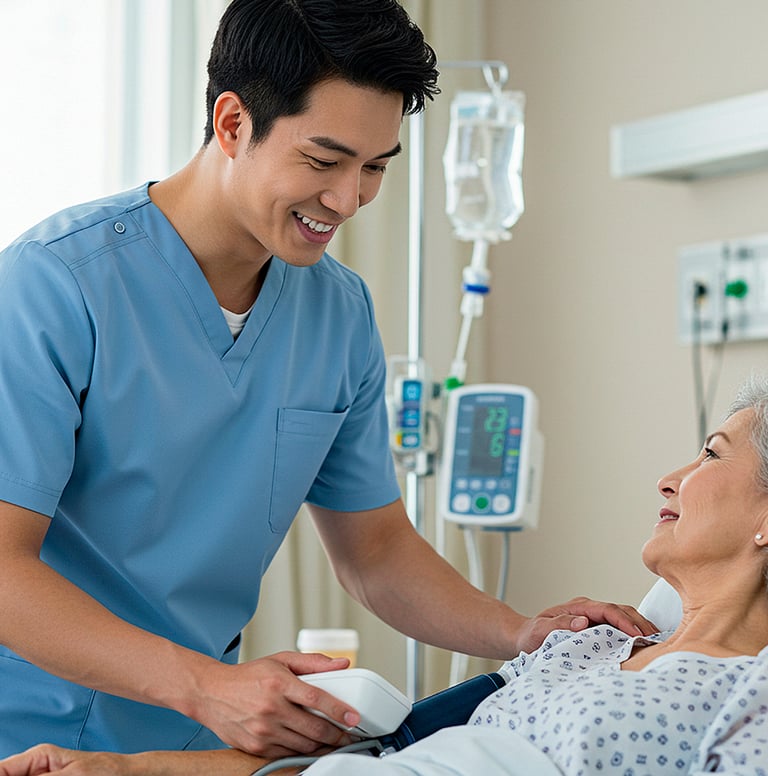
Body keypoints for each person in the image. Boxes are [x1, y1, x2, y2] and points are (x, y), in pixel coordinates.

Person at [0, 0, 653, 761]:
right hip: (25, 732)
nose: (348, 201)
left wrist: (521, 633)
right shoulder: (54, 287)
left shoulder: (338, 313)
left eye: (375, 167)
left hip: (186, 748)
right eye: (323, 161)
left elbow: (375, 550)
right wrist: (209, 687)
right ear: (233, 123)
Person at [5, 376, 768, 775]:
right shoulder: (587, 646)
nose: (670, 478)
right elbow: (371, 754)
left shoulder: (751, 695)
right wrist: (117, 769)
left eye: (709, 454)